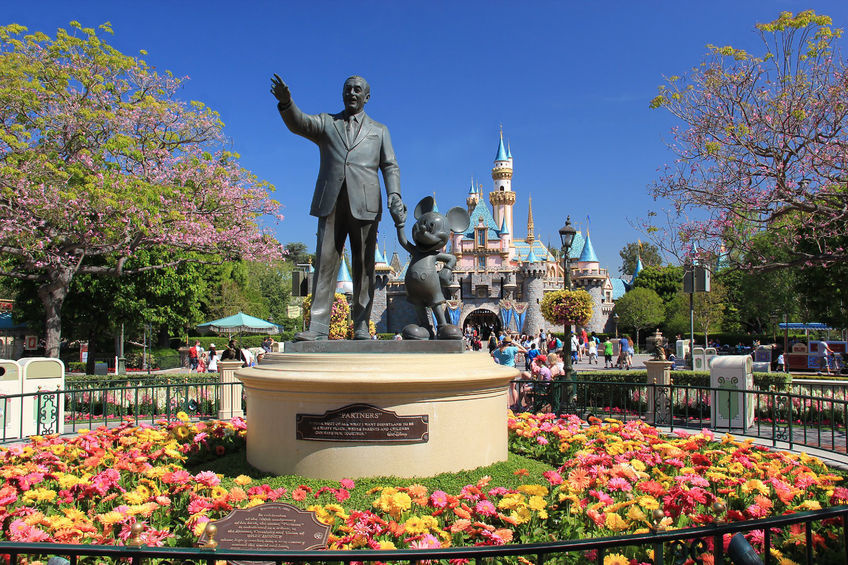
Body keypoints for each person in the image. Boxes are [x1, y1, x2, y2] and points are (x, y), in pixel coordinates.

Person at [272, 74, 405, 341]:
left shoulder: (379, 130)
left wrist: (395, 194)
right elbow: (300, 123)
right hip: (330, 201)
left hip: (366, 203)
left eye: (358, 90)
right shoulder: (327, 123)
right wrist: (287, 103)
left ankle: (361, 325)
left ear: (367, 97)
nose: (352, 93)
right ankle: (318, 327)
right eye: (347, 89)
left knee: (365, 267)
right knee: (324, 264)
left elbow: (389, 165)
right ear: (342, 94)